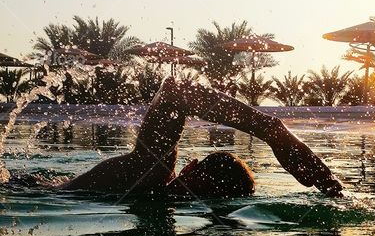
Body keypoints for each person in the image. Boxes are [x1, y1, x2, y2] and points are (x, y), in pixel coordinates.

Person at [59, 78, 343, 198]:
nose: (188, 200)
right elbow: (174, 90)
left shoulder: (157, 196)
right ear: (189, 167)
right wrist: (270, 130)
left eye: (202, 201)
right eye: (192, 190)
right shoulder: (151, 172)